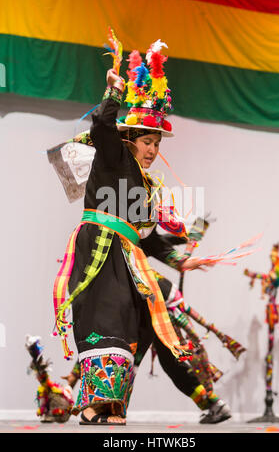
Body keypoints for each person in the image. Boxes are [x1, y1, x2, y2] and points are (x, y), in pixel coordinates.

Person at [53, 41, 215, 426]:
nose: (153, 150)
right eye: (147, 141)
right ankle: (95, 406)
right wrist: (114, 90)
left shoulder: (147, 184)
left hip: (127, 257)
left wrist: (182, 259)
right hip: (99, 251)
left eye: (157, 144)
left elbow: (149, 237)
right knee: (103, 325)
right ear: (131, 139)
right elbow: (103, 125)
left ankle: (109, 407)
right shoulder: (114, 154)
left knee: (127, 329)